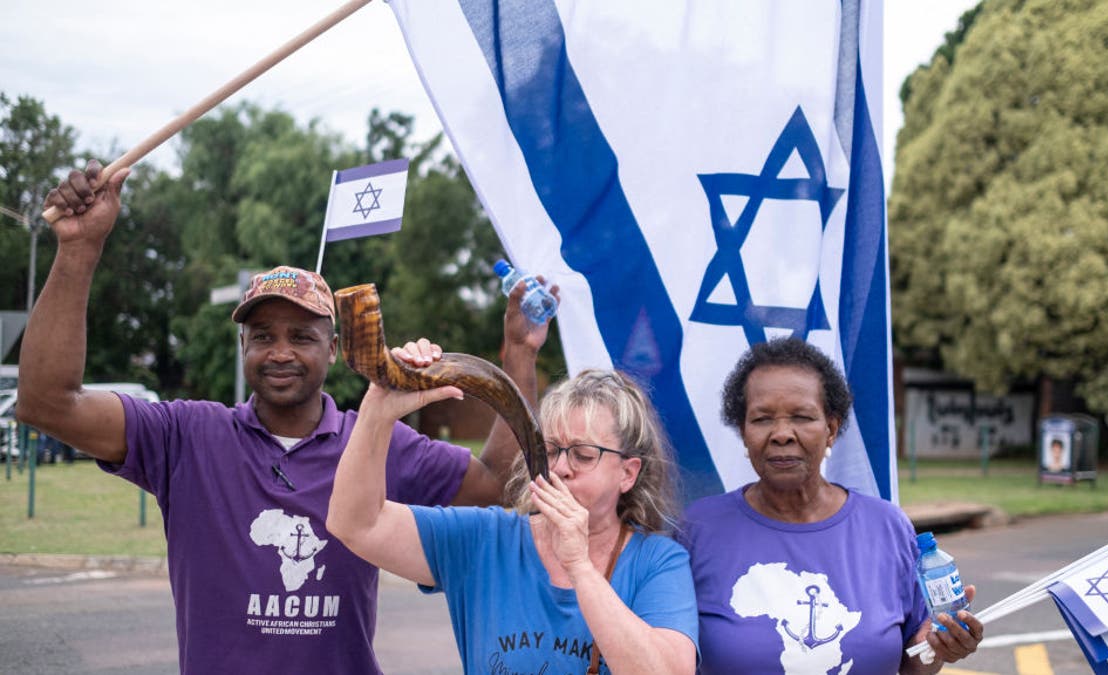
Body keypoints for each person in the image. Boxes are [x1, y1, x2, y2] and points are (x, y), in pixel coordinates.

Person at [18, 160, 554, 674]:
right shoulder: (188, 436)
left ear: (335, 348)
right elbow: (48, 403)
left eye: (301, 336)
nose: (280, 352)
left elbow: (499, 486)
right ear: (242, 344)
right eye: (263, 336)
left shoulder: (374, 443)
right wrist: (79, 247)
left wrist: (519, 352)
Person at [328, 366, 699, 674]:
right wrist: (378, 407)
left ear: (628, 474)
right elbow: (356, 523)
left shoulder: (659, 561)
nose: (561, 468)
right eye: (550, 450)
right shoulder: (487, 538)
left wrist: (579, 565)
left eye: (583, 456)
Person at [678, 337, 982, 674]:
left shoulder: (887, 527)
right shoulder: (697, 529)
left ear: (831, 429)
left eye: (802, 417)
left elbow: (913, 665)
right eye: (762, 419)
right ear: (743, 432)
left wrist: (939, 648)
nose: (782, 433)